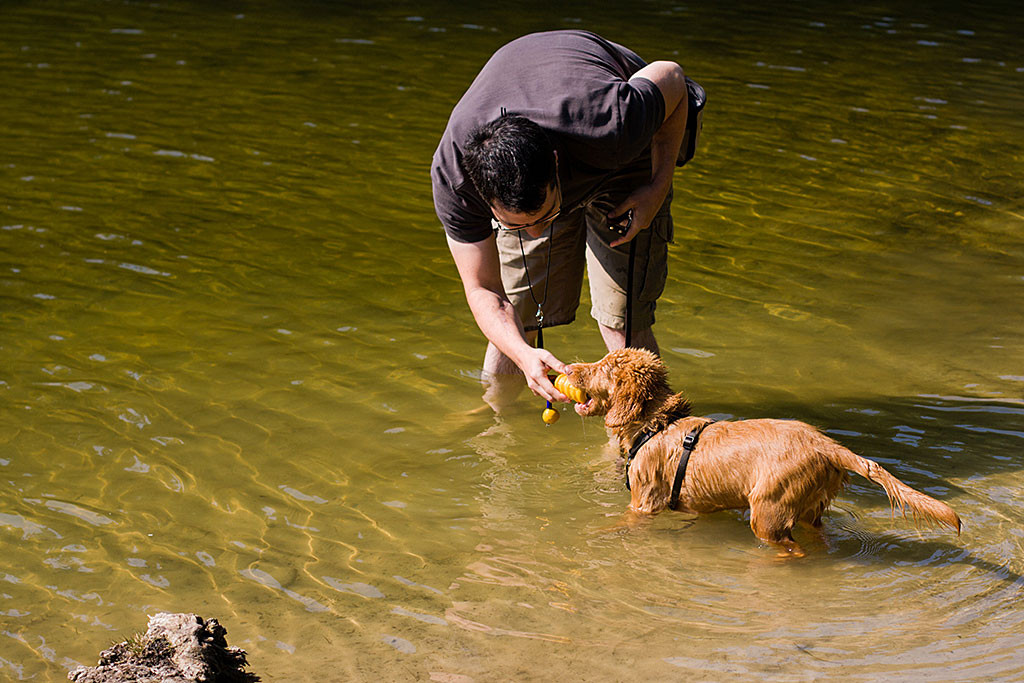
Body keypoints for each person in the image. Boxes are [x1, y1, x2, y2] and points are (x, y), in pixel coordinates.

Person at [431, 30, 692, 411]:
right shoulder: (455, 180)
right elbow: (484, 290)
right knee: (516, 314)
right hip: (540, 152)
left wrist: (656, 186)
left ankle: (632, 451)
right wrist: (522, 354)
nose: (539, 232)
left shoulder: (612, 122)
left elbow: (671, 77)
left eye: (546, 215)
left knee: (622, 318)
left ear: (557, 167)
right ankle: (497, 420)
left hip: (623, 160)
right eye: (519, 226)